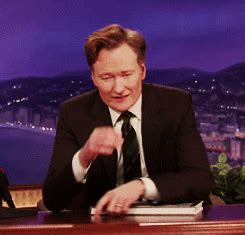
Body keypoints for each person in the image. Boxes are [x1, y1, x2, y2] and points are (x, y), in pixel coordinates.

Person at [42, 24, 213, 216]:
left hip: (169, 222)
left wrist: (141, 186)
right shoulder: (74, 113)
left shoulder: (175, 104)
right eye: (107, 77)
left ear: (142, 70)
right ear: (93, 78)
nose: (119, 88)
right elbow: (52, 200)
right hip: (104, 228)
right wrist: (84, 156)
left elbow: (200, 180)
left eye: (126, 74)